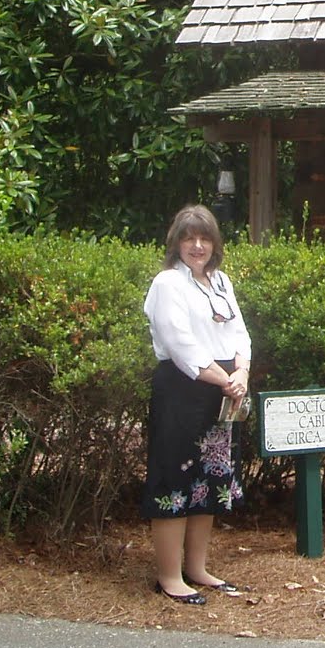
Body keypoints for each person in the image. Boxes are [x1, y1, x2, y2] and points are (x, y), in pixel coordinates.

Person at [140, 204, 252, 604]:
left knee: (210, 479)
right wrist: (225, 380)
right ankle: (170, 576)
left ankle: (197, 568)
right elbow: (179, 342)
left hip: (222, 393)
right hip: (183, 390)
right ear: (176, 242)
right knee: (176, 479)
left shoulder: (220, 282)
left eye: (205, 238)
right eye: (189, 238)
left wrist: (241, 372)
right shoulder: (167, 284)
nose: (198, 245)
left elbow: (240, 332)